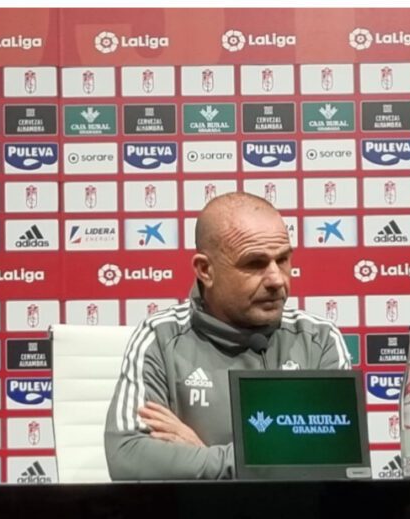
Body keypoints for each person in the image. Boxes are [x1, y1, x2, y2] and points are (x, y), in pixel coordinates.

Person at [104, 192, 351, 480]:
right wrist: (257, 462)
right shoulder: (160, 337)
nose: (276, 279)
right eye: (254, 264)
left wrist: (201, 454)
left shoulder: (319, 340)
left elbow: (337, 460)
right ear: (206, 270)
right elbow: (128, 455)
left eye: (283, 260)